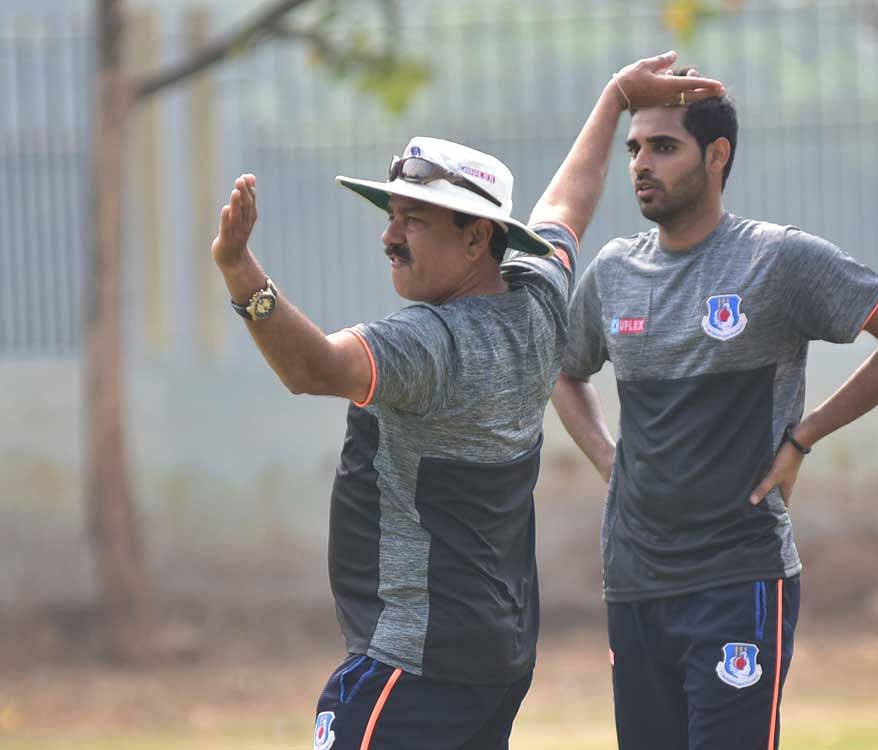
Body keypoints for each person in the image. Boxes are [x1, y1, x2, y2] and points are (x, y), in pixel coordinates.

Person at [210, 54, 723, 750]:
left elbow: (311, 368)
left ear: (478, 237)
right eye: (392, 215)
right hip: (495, 662)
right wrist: (614, 100)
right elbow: (567, 207)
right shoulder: (540, 297)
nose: (390, 237)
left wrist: (244, 276)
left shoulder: (429, 345)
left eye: (414, 220)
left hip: (410, 666)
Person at [551, 70, 878, 750]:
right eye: (635, 149)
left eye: (664, 148)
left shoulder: (777, 260)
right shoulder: (614, 271)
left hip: (738, 579)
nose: (642, 164)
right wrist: (609, 459)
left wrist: (805, 436)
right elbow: (564, 371)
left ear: (717, 156)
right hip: (635, 582)